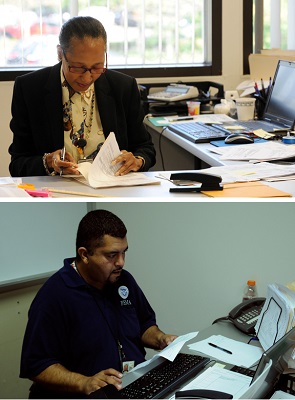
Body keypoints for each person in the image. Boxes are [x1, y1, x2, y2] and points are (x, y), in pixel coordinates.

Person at [20, 209, 177, 399]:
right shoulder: (55, 295)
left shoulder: (124, 280)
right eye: (111, 255)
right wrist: (84, 382)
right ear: (85, 254)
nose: (121, 262)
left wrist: (161, 338)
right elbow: (37, 365)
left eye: (123, 253)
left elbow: (144, 325)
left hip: (131, 387)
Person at [9, 16, 156, 177]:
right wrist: (49, 162)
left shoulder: (123, 87)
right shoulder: (30, 88)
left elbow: (145, 148)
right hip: (57, 191)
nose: (87, 78)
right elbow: (18, 164)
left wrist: (136, 160)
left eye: (97, 67)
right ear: (60, 53)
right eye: (78, 68)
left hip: (111, 189)